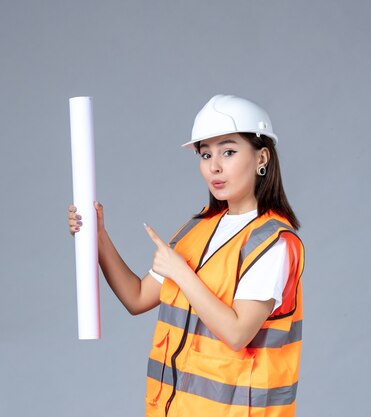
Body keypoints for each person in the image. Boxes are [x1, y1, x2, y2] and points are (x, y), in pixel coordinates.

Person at [68, 94, 304, 417]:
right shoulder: (197, 230)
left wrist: (181, 273)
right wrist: (98, 236)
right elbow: (136, 298)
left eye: (229, 151)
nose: (214, 166)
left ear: (262, 157)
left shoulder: (272, 242)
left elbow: (237, 333)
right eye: (205, 154)